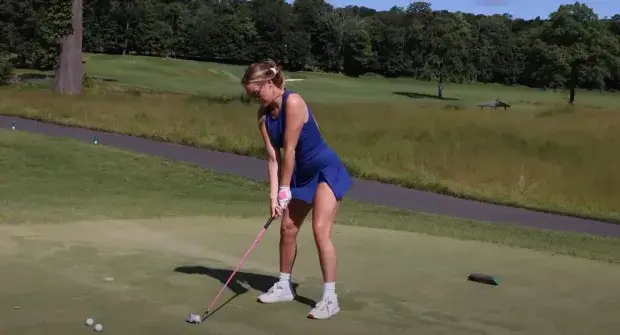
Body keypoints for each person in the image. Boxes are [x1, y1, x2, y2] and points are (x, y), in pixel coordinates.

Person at [241, 59, 352, 320]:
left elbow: (289, 150)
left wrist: (284, 189)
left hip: (324, 170)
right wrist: (273, 196)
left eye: (257, 94)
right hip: (300, 175)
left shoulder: (294, 102)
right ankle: (284, 285)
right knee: (288, 228)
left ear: (269, 83)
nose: (257, 100)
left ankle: (330, 298)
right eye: (252, 97)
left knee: (319, 229)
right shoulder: (264, 116)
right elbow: (273, 158)